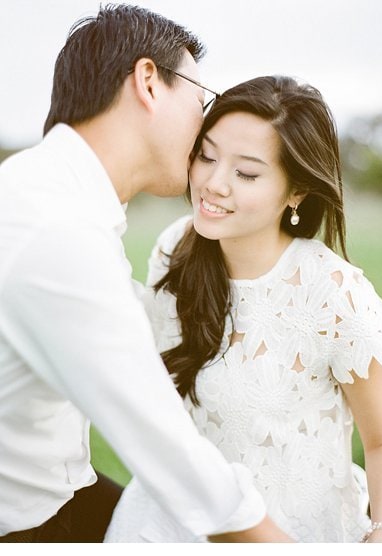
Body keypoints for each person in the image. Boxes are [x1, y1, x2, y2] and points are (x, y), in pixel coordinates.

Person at [0, 5, 288, 542]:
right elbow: (168, 449)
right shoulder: (54, 228)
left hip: (61, 492)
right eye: (200, 101)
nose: (205, 128)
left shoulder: (56, 197)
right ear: (149, 82)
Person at [104, 76, 382, 543]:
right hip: (168, 524)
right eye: (206, 155)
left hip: (291, 531)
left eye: (246, 173)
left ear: (296, 192)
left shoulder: (335, 295)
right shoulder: (172, 252)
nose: (213, 184)